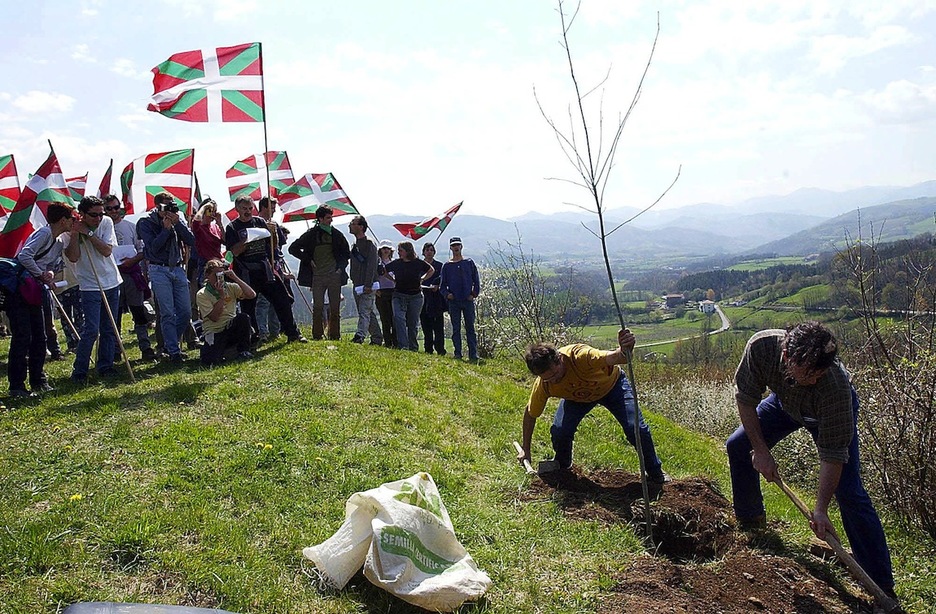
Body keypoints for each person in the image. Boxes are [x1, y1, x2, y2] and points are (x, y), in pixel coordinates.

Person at [726, 321, 896, 599]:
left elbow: (833, 455)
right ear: (786, 357)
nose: (815, 379)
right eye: (808, 373)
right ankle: (751, 522)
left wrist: (820, 510)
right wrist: (761, 449)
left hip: (825, 413)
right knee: (738, 446)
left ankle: (880, 584)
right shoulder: (761, 348)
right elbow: (746, 399)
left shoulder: (834, 387)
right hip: (785, 403)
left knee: (849, 492)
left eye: (820, 373)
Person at [516, 329, 668, 485]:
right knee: (560, 431)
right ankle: (563, 466)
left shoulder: (581, 356)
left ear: (560, 359)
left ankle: (655, 473)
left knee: (636, 429)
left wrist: (624, 350)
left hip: (612, 387)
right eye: (548, 378)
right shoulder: (544, 384)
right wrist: (526, 449)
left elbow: (616, 358)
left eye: (556, 374)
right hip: (577, 398)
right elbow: (530, 414)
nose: (554, 380)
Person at [8, 203, 73, 397]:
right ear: (63, 220)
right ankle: (17, 386)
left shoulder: (59, 241)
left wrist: (48, 274)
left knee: (40, 336)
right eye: (71, 218)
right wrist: (40, 275)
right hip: (21, 290)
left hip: (36, 290)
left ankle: (38, 380)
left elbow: (51, 264)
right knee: (22, 336)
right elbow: (25, 256)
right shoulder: (44, 234)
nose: (73, 222)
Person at [225, 195, 306, 343]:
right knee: (248, 307)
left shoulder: (260, 222)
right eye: (244, 209)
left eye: (250, 208)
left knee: (282, 299)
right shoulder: (232, 227)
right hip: (246, 273)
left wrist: (273, 232)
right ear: (237, 209)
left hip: (265, 269)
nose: (248, 212)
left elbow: (273, 246)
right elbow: (234, 251)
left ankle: (293, 333)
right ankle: (253, 339)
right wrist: (248, 239)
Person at [64, 195, 122, 383]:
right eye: (93, 215)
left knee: (108, 328)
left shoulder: (105, 223)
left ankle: (105, 366)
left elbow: (106, 250)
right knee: (91, 329)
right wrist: (75, 234)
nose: (98, 218)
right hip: (89, 285)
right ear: (81, 214)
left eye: (100, 214)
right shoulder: (71, 230)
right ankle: (79, 370)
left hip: (111, 281)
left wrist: (89, 233)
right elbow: (72, 257)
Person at [136, 192, 196, 362]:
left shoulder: (178, 219)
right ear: (157, 207)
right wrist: (165, 229)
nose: (169, 210)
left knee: (185, 312)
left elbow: (191, 241)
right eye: (165, 206)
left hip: (177, 268)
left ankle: (170, 343)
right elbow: (153, 248)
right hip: (158, 269)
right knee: (167, 313)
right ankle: (173, 351)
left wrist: (178, 224)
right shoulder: (146, 222)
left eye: (172, 205)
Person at [288, 205, 350, 340]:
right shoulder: (311, 234)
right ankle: (317, 335)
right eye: (328, 218)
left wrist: (340, 268)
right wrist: (308, 260)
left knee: (335, 308)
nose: (330, 221)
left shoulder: (337, 234)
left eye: (331, 218)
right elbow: (293, 248)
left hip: (334, 276)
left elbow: (346, 253)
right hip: (317, 277)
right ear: (320, 218)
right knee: (318, 308)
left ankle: (335, 336)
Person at [106, 195, 155, 360]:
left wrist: (133, 260)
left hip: (132, 274)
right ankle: (115, 350)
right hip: (112, 277)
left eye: (116, 207)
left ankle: (145, 347)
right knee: (115, 315)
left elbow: (142, 250)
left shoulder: (130, 227)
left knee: (138, 311)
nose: (114, 211)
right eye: (109, 208)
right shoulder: (102, 228)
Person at [196, 258, 256, 365]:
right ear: (208, 275)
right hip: (215, 331)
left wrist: (235, 278)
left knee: (243, 318)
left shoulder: (230, 287)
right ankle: (224, 351)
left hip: (230, 326)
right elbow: (214, 317)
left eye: (221, 275)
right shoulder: (202, 294)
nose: (219, 279)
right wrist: (222, 296)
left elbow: (251, 295)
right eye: (216, 275)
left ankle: (243, 351)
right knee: (211, 361)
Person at [385, 241, 433, 351]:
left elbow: (431, 270)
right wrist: (393, 280)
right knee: (399, 318)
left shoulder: (418, 263)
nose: (398, 253)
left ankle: (413, 347)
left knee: (413, 323)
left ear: (407, 251)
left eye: (400, 250)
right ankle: (403, 345)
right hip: (399, 295)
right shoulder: (397, 263)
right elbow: (384, 271)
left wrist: (422, 279)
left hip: (415, 297)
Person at [439, 236, 480, 360]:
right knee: (456, 329)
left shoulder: (469, 263)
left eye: (458, 245)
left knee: (470, 328)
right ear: (450, 248)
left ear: (461, 246)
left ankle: (473, 354)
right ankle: (458, 353)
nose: (456, 247)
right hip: (454, 302)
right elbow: (442, 286)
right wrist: (447, 295)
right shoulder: (447, 266)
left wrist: (473, 294)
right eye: (453, 245)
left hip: (467, 301)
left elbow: (476, 281)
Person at [255, 196, 289, 342]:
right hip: (263, 265)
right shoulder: (255, 223)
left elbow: (281, 242)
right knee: (263, 301)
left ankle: (275, 331)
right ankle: (262, 332)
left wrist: (274, 232)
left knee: (277, 299)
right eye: (271, 208)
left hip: (276, 264)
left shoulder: (273, 223)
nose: (274, 212)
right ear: (263, 208)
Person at [347, 215, 383, 345]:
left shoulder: (369, 244)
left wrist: (368, 284)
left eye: (353, 223)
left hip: (368, 285)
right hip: (357, 284)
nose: (350, 225)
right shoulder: (354, 245)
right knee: (367, 312)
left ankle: (360, 336)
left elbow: (372, 265)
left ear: (361, 227)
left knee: (364, 311)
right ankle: (377, 337)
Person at [419, 242, 447, 355]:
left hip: (436, 300)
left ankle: (440, 349)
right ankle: (428, 349)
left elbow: (444, 280)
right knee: (426, 326)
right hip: (423, 299)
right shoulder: (419, 266)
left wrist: (437, 285)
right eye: (427, 250)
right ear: (423, 252)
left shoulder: (440, 266)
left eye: (431, 250)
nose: (429, 252)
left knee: (438, 327)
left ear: (434, 252)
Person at [375, 240, 396, 348]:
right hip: (381, 292)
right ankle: (387, 342)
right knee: (385, 318)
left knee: (394, 318)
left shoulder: (394, 263)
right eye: (384, 248)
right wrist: (376, 290)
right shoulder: (377, 263)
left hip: (393, 291)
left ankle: (395, 341)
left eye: (388, 249)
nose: (386, 250)